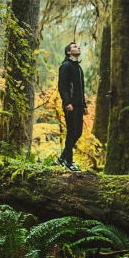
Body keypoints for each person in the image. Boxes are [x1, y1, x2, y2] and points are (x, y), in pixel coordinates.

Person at [57, 41, 87, 171]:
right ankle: (68, 162)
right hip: (71, 105)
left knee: (78, 132)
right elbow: (62, 86)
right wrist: (67, 102)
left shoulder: (78, 67)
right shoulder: (66, 66)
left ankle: (61, 158)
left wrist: (84, 104)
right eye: (75, 47)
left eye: (78, 46)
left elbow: (81, 88)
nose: (78, 48)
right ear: (69, 52)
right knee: (71, 132)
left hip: (79, 105)